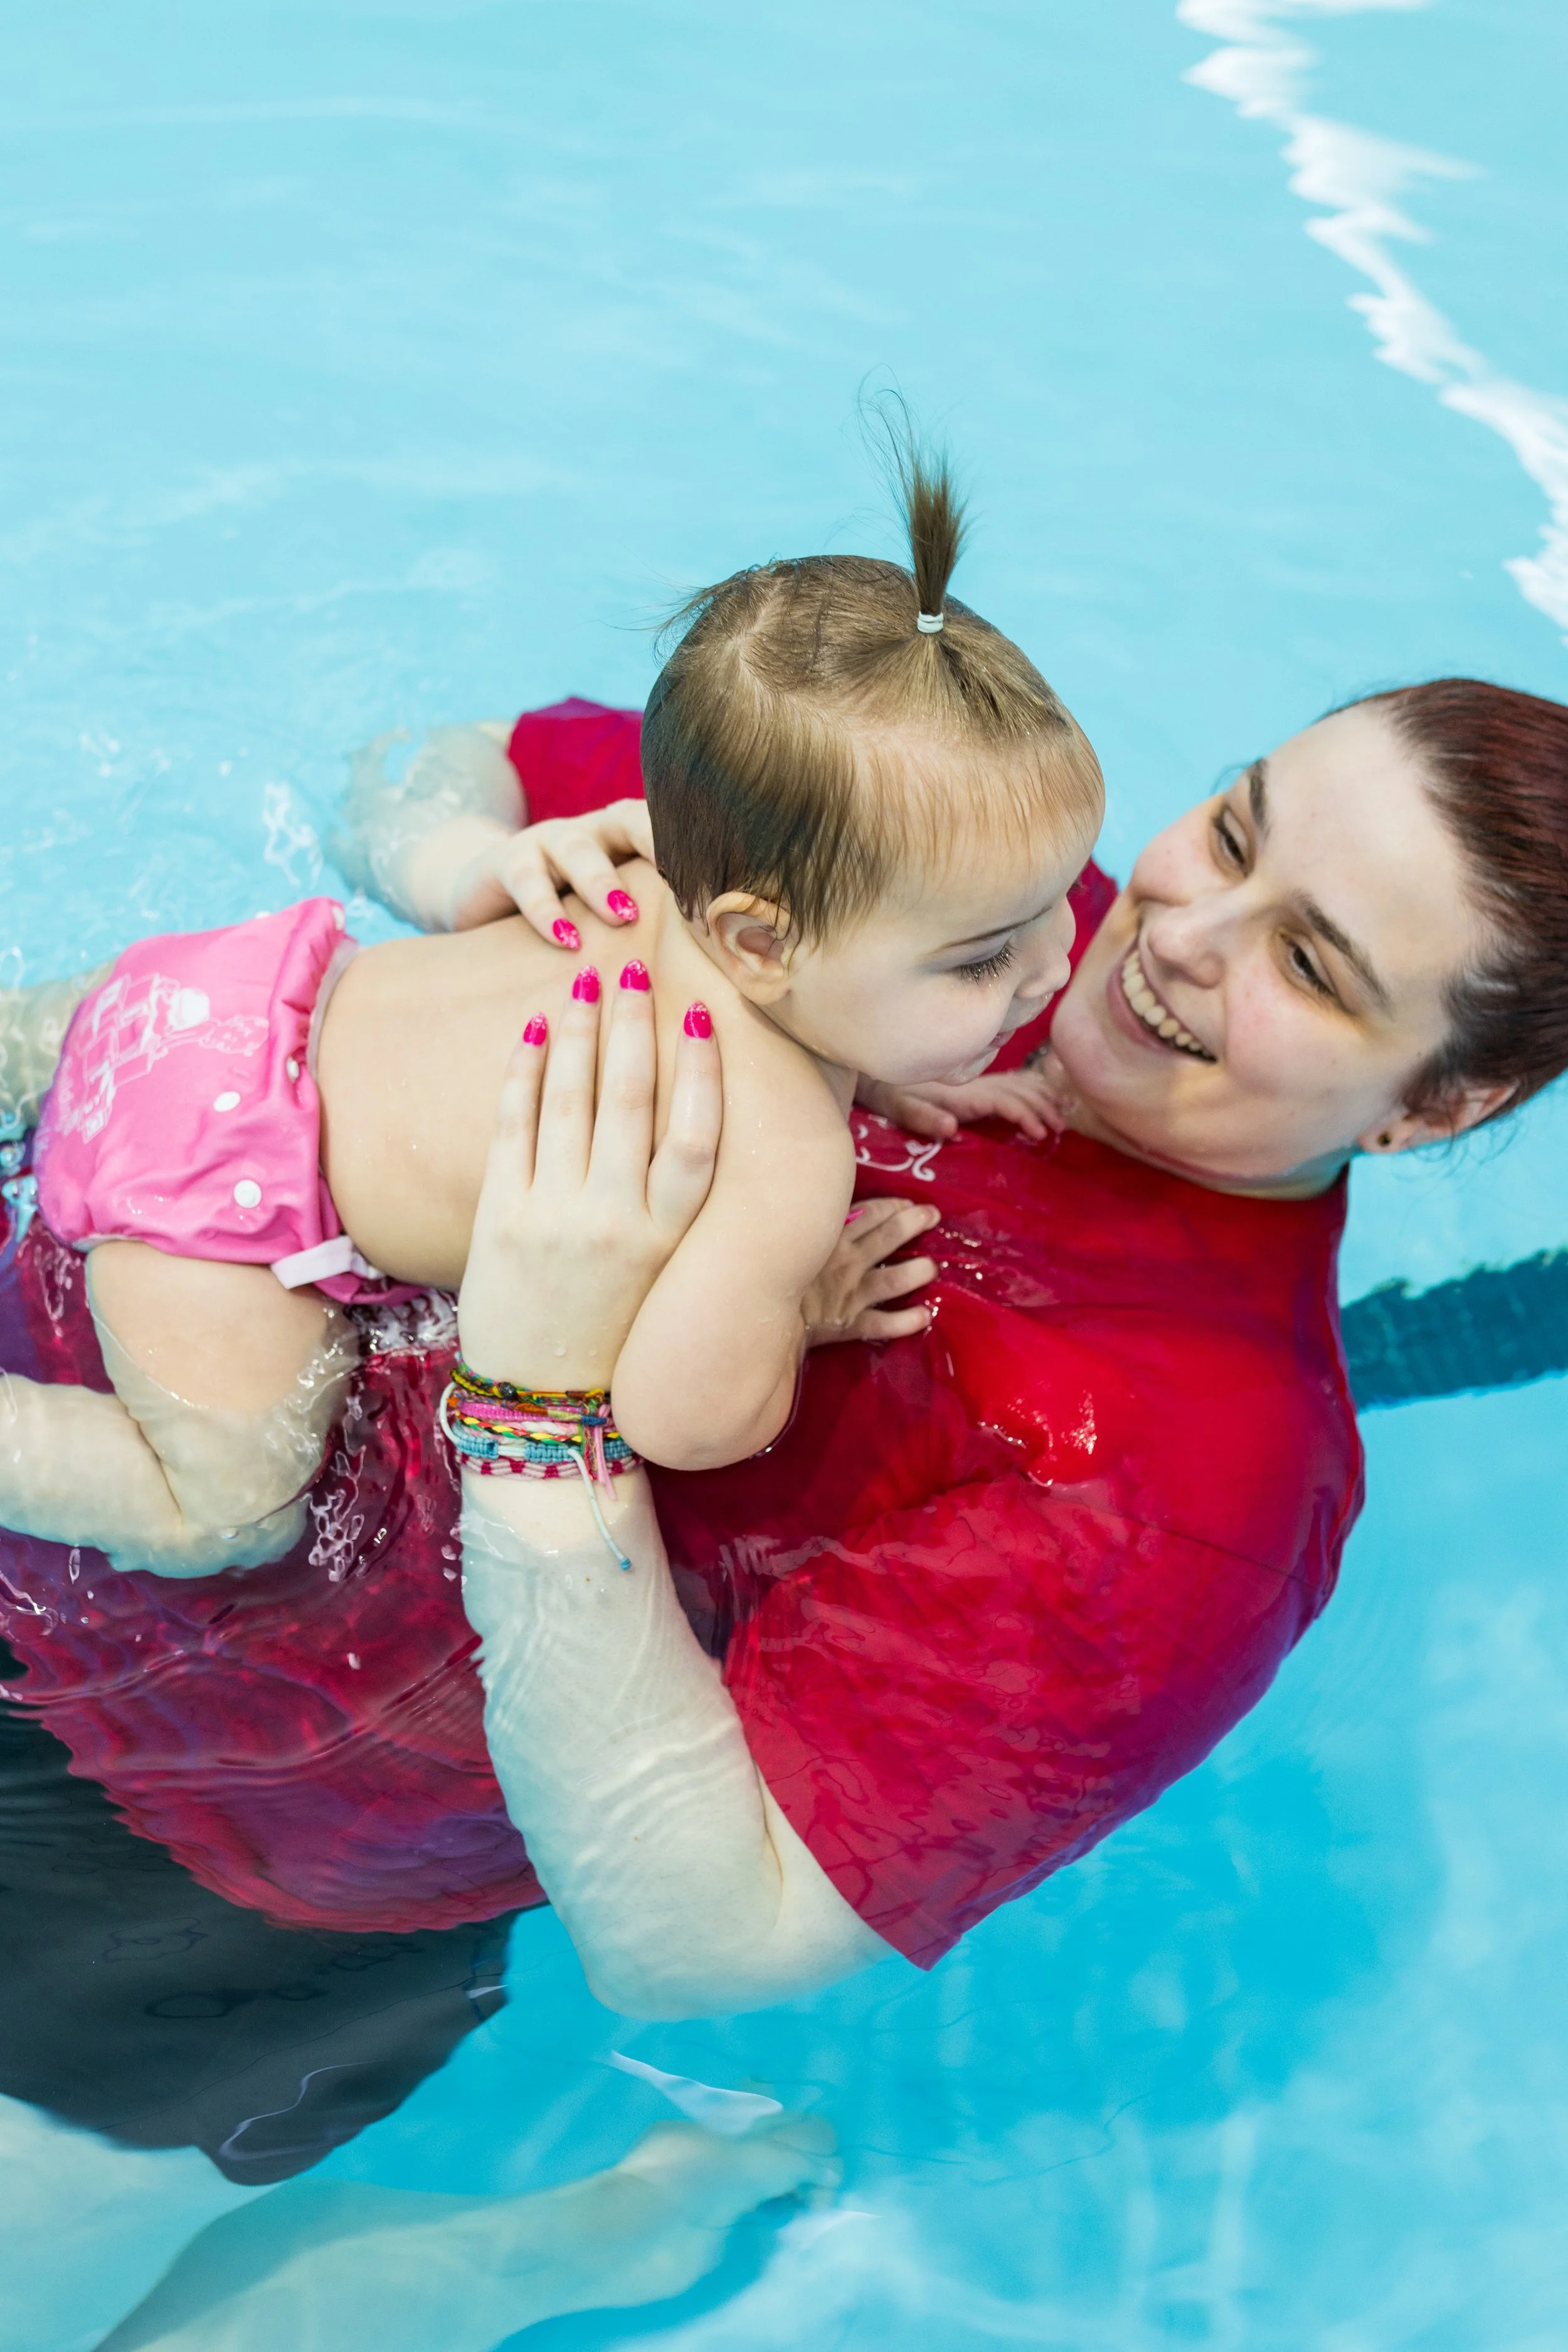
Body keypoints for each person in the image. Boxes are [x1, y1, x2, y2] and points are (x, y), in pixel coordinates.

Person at [0, 450, 1102, 1577]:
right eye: (981, 960)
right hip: (228, 1210)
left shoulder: (642, 856)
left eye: (1058, 902)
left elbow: (785, 1012)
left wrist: (890, 1051)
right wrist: (800, 1300)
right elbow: (688, 1419)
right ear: (762, 944)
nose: (1054, 963)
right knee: (230, 1513)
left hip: (211, 995)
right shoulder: (785, 1159)